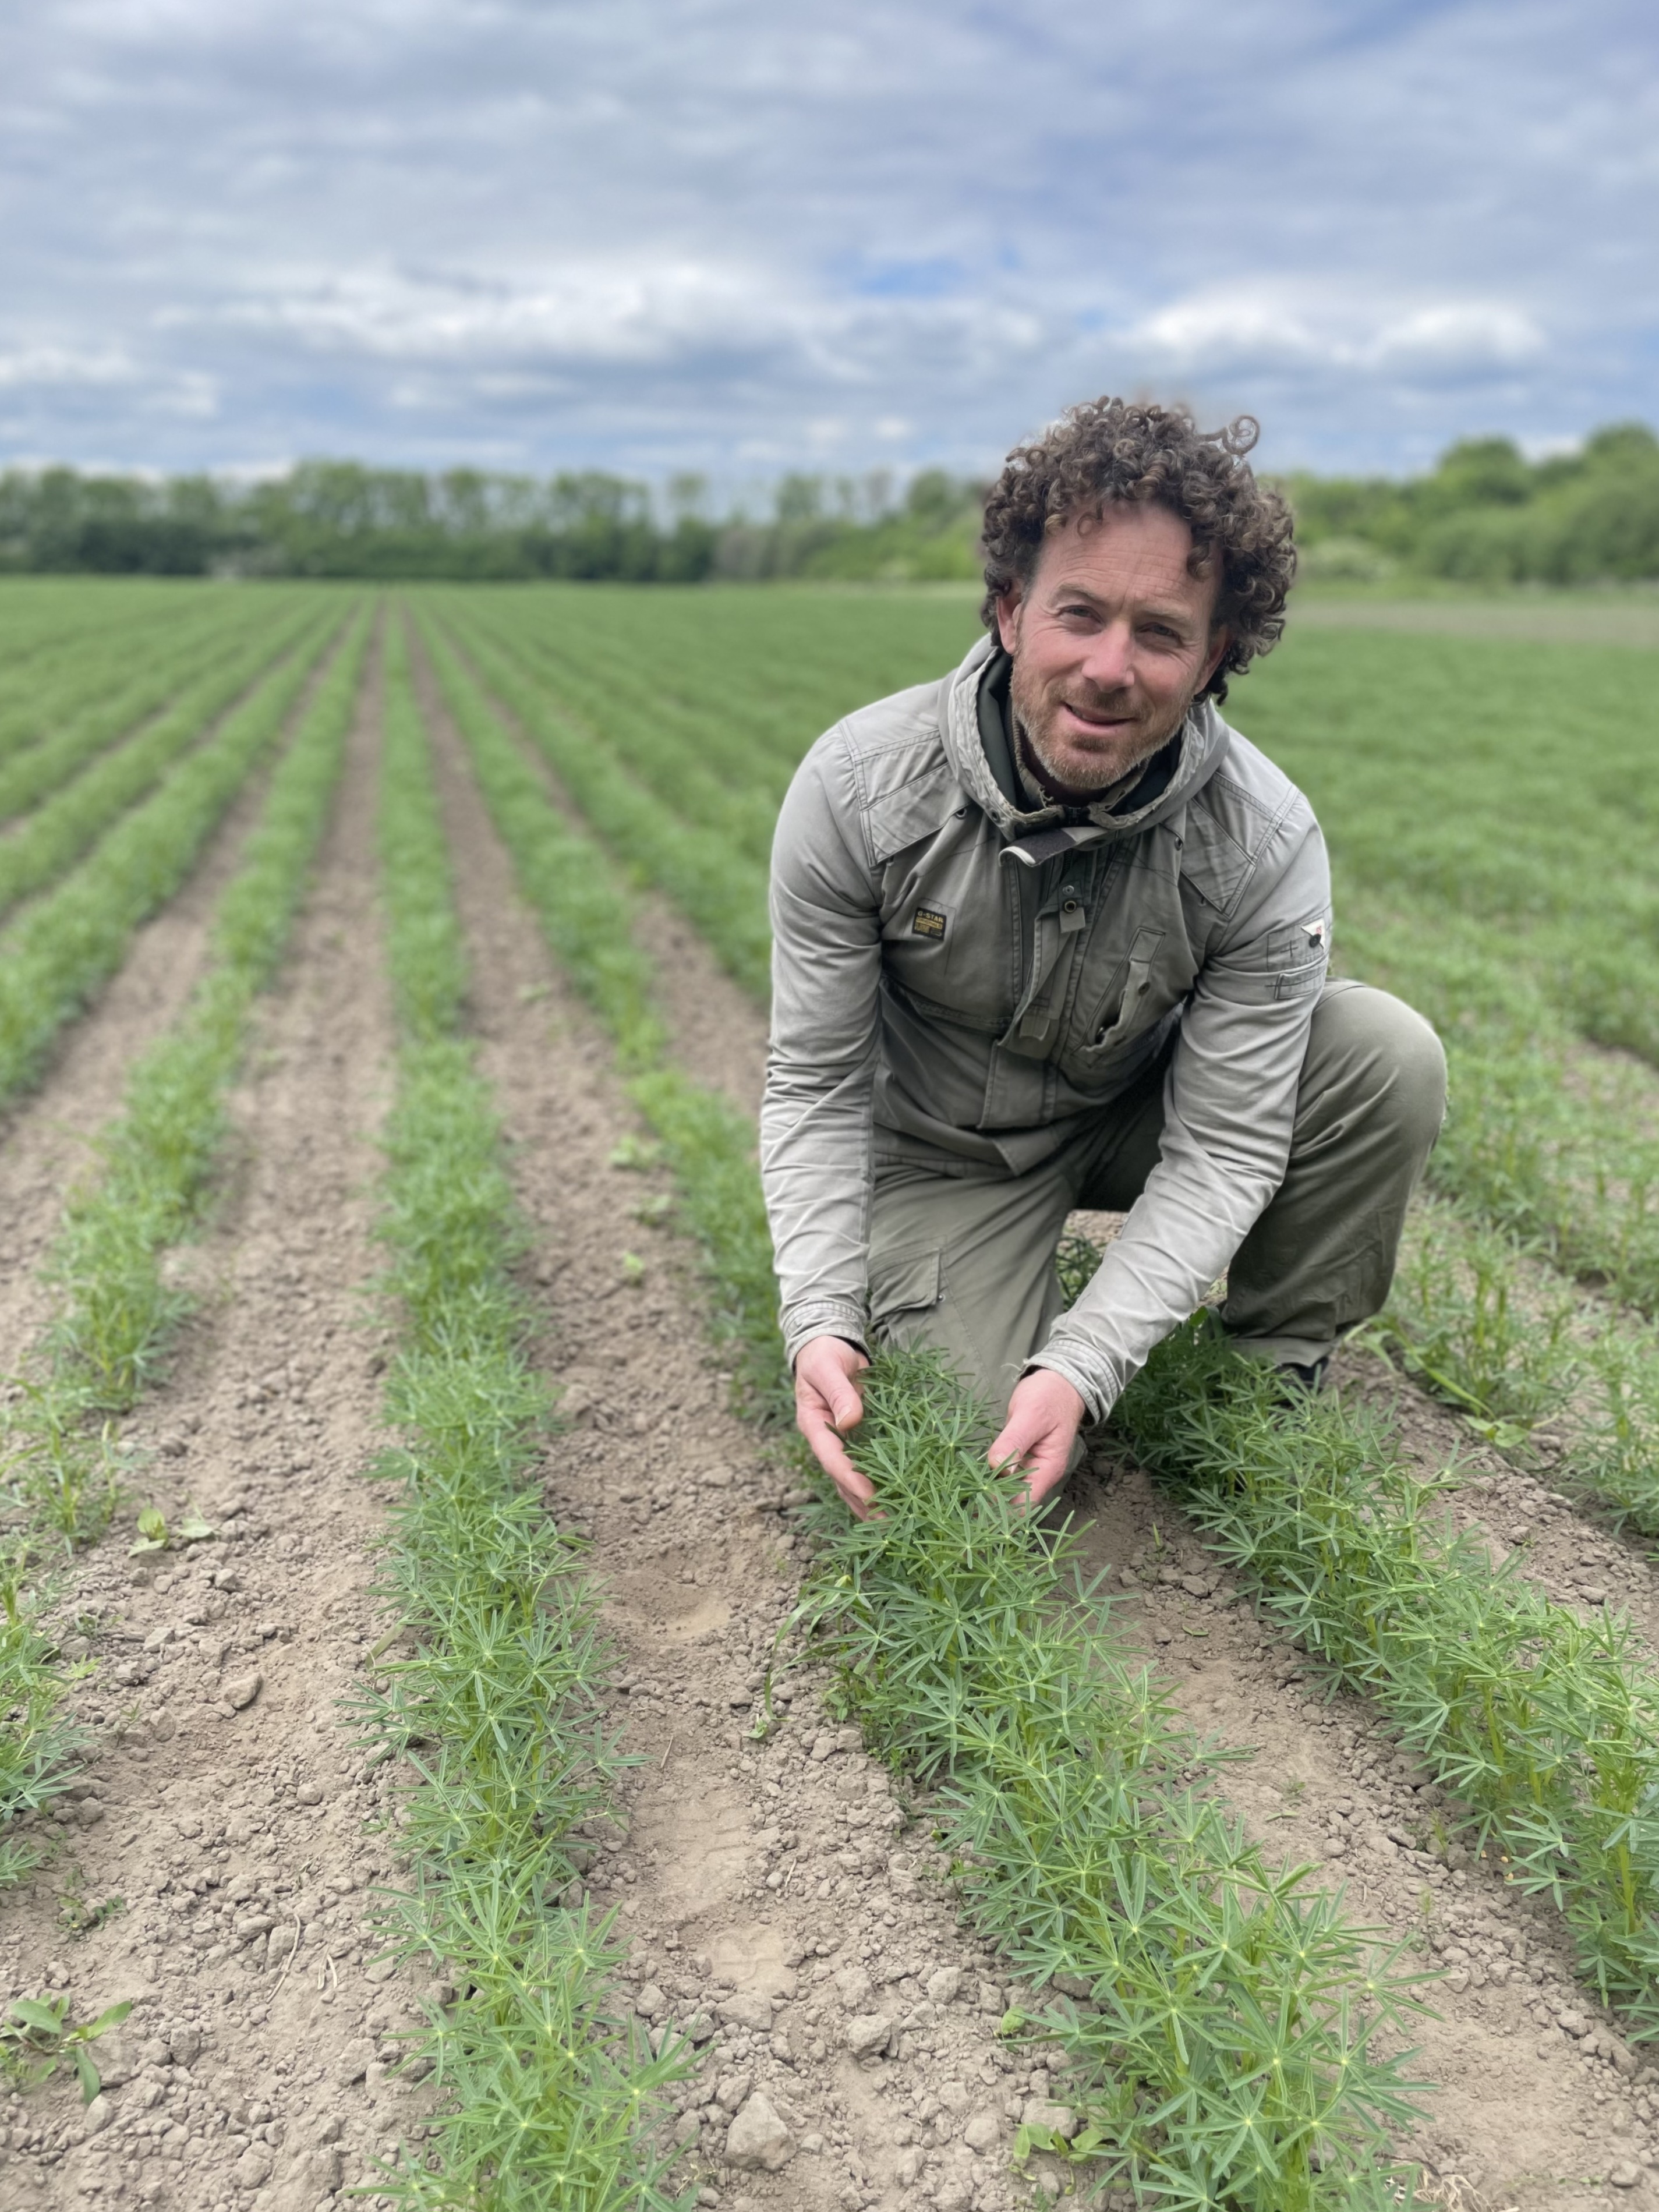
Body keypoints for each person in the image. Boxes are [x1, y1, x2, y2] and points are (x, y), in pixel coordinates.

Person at [760, 397, 1446, 1519]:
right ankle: (964, 1304)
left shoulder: (1261, 840)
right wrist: (820, 1317)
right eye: (1077, 614)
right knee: (955, 1475)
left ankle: (1266, 1375)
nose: (1108, 668)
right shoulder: (858, 791)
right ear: (1009, 612)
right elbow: (817, 1084)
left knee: (1382, 1055)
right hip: (943, 1154)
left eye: (1160, 633)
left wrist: (1085, 1363)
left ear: (1212, 655)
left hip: (1134, 1109)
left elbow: (1224, 1142)